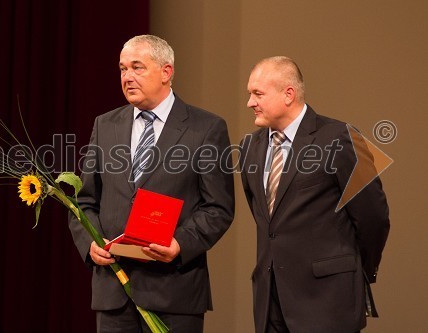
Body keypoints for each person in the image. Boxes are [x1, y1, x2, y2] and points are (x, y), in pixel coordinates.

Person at [69, 35, 235, 333]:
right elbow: (84, 201)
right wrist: (91, 243)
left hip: (174, 292)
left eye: (137, 67)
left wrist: (180, 244)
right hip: (114, 294)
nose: (127, 77)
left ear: (166, 72)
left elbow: (218, 208)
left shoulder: (206, 128)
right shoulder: (105, 125)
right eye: (122, 69)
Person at [240, 56, 390, 333]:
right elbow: (268, 220)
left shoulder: (340, 137)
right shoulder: (250, 146)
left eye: (257, 94)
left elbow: (373, 217)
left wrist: (356, 270)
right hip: (270, 303)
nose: (250, 102)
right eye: (250, 94)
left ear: (288, 94)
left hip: (327, 302)